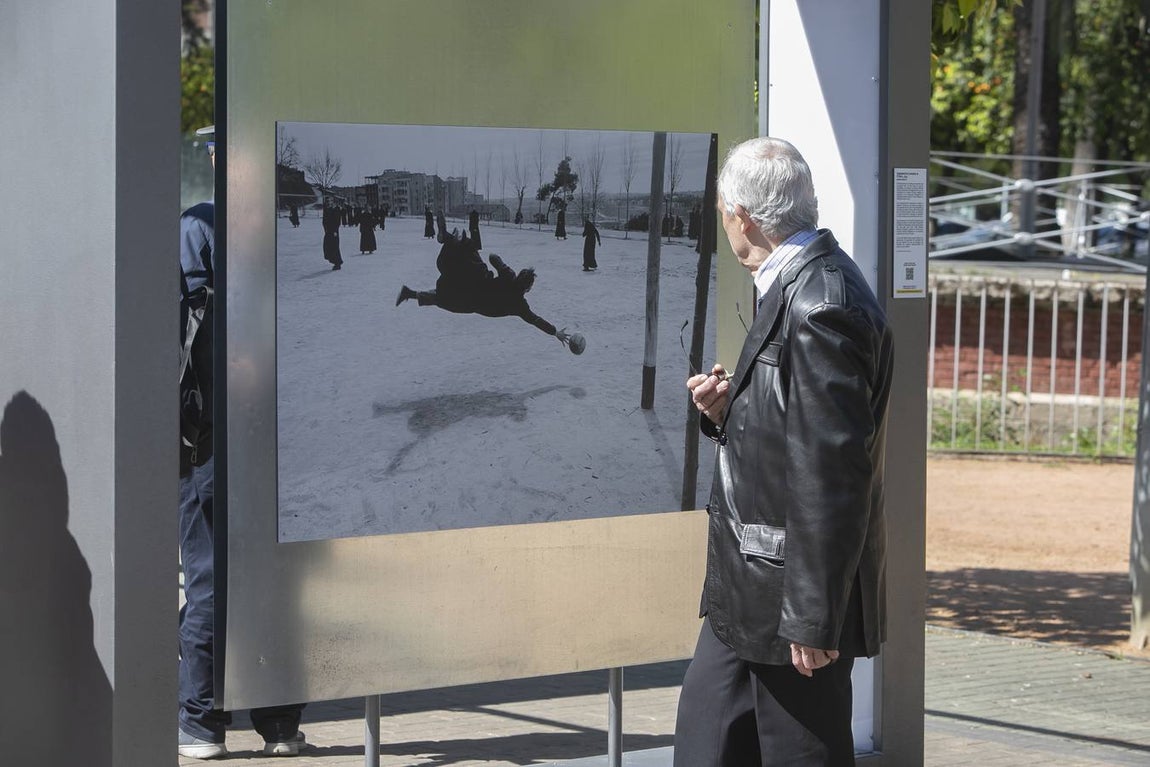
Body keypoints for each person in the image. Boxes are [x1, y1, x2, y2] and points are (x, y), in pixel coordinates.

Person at [674, 137, 894, 767]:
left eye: (723, 215)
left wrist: (814, 618)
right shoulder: (797, 285)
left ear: (742, 216)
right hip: (750, 592)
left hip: (788, 607)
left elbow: (834, 473)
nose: (725, 228)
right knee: (704, 743)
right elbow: (796, 432)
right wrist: (727, 413)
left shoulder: (822, 302)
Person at [178, 127, 308, 760]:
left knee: (212, 577)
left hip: (208, 438)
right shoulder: (264, 235)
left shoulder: (195, 229)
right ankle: (273, 722)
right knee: (270, 577)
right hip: (252, 437)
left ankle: (205, 723)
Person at [395, 234, 577, 349]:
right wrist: (555, 333)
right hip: (472, 303)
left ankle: (453, 242)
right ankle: (411, 291)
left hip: (474, 285)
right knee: (443, 297)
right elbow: (536, 320)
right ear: (528, 288)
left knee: (460, 271)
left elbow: (492, 257)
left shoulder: (508, 276)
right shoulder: (520, 305)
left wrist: (503, 266)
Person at [321, 198, 343, 270]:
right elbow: (324, 221)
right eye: (327, 201)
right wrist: (326, 230)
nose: (328, 203)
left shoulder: (336, 209)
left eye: (329, 201)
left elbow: (337, 221)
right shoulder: (326, 209)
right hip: (328, 231)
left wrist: (335, 231)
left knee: (334, 247)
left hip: (334, 231)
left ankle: (337, 263)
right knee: (328, 247)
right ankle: (334, 261)